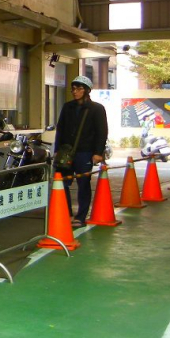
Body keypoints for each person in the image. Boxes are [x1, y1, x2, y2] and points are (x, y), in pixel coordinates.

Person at [53, 74, 108, 227]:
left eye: (79, 89)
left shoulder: (96, 108)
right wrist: (57, 149)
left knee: (83, 183)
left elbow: (102, 132)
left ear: (87, 90)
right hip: (66, 152)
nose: (75, 92)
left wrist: (97, 153)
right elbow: (60, 129)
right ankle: (67, 213)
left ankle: (81, 216)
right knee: (62, 182)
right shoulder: (67, 107)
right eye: (73, 89)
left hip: (85, 152)